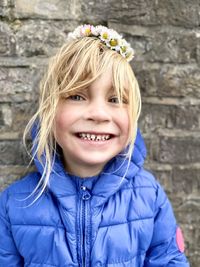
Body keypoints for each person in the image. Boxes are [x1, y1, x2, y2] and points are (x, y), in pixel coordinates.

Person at [0, 24, 189, 266]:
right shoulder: (14, 203)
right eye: (77, 96)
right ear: (49, 110)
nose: (99, 114)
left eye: (115, 99)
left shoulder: (149, 196)